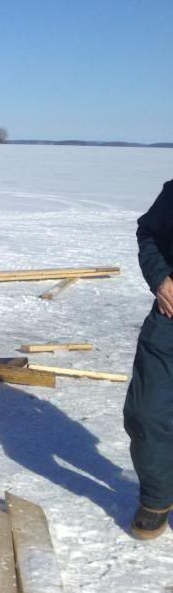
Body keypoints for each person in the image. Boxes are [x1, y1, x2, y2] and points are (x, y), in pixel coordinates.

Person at [124, 178, 173, 538]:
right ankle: (157, 497)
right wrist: (161, 279)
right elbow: (148, 234)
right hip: (169, 321)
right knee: (146, 412)